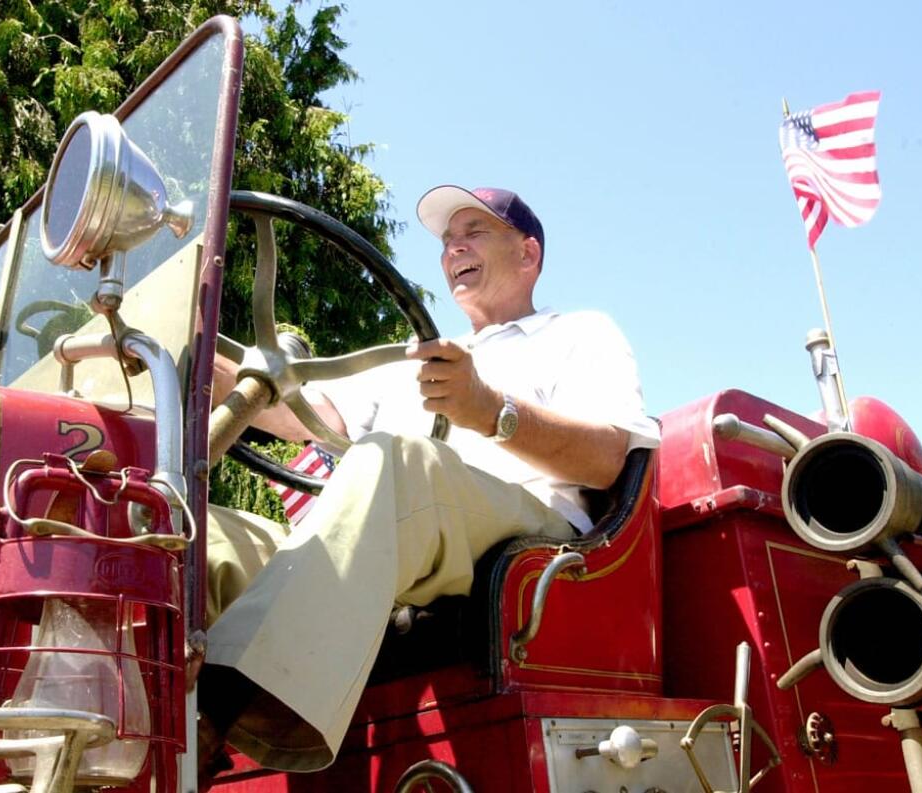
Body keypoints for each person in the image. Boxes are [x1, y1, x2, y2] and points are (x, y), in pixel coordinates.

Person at [199, 185, 660, 773]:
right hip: (393, 536)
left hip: (529, 543)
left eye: (474, 232)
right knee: (202, 535)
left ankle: (213, 715)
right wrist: (206, 363)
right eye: (447, 241)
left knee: (395, 460)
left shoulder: (579, 333)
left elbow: (610, 460)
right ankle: (123, 727)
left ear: (528, 254)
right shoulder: (415, 359)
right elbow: (302, 414)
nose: (454, 249)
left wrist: (490, 410)